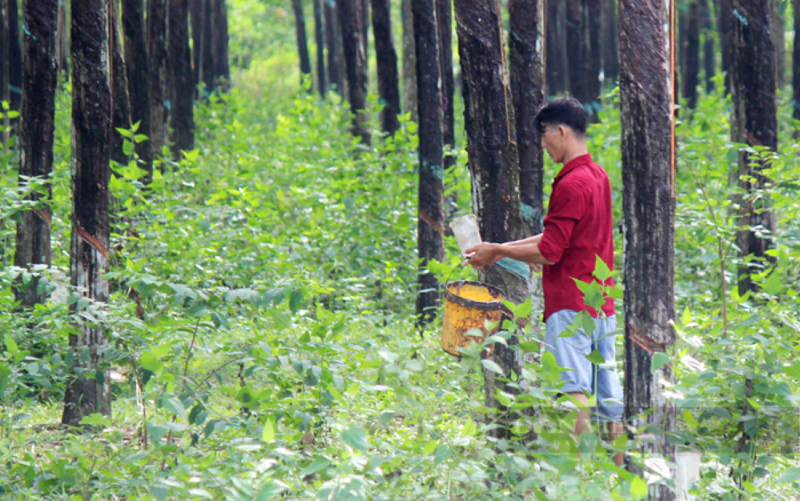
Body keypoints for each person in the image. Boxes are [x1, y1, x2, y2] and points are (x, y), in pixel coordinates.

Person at [464, 97, 624, 466]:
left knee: (574, 390)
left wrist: (499, 251)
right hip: (601, 304)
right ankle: (622, 477)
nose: (542, 144)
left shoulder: (570, 183)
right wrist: (500, 250)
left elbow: (551, 252)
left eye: (544, 135)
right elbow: (557, 238)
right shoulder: (597, 176)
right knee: (608, 396)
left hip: (570, 303)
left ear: (561, 131)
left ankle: (580, 477)